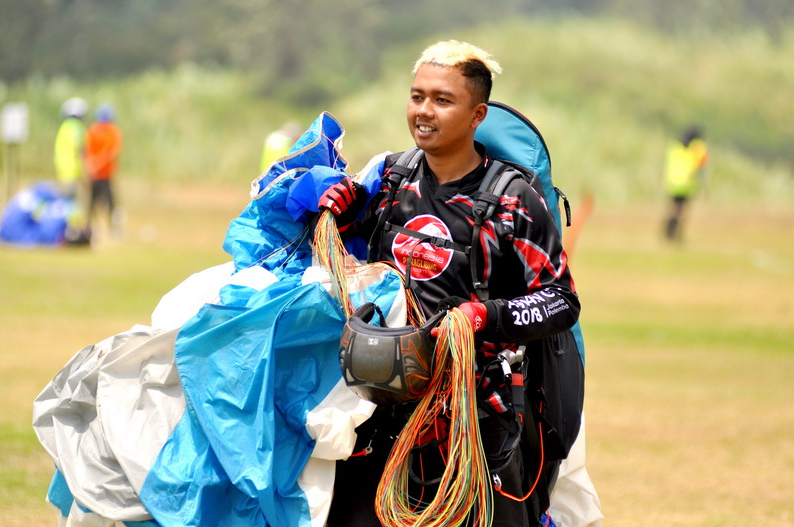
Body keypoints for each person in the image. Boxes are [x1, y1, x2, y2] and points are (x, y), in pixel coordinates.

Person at [319, 40, 582, 527]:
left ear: (477, 113)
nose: (424, 111)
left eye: (443, 100)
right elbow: (355, 273)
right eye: (417, 96)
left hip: (476, 421)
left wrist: (483, 316)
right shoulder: (392, 181)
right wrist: (342, 214)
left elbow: (561, 301)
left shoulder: (512, 199)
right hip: (381, 416)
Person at [663, 125, 708, 242]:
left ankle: (669, 231)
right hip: (686, 184)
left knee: (674, 208)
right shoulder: (695, 149)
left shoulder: (674, 147)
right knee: (681, 210)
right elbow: (701, 164)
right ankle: (676, 234)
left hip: (673, 183)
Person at [84, 104, 123, 237]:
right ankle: (91, 230)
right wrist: (93, 166)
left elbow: (110, 153)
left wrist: (94, 165)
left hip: (103, 174)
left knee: (109, 203)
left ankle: (113, 230)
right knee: (93, 204)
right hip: (97, 174)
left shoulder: (98, 131)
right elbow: (88, 151)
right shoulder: (96, 131)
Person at [54, 97, 88, 199]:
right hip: (74, 171)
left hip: (62, 170)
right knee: (71, 204)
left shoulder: (63, 127)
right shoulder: (78, 128)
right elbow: (81, 150)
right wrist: (85, 172)